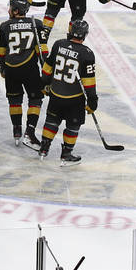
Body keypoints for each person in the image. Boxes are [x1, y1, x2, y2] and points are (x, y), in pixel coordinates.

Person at [37, 19, 97, 166]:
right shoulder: (87, 54)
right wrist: (92, 100)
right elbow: (88, 81)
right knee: (73, 125)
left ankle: (44, 149)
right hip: (74, 99)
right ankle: (66, 154)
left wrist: (44, 84)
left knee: (52, 121)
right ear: (85, 35)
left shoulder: (59, 44)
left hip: (56, 94)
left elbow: (47, 68)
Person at [0, 0, 47, 147]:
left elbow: (0, 50)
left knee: (14, 100)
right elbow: (43, 51)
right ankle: (30, 131)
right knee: (36, 100)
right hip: (30, 69)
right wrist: (46, 73)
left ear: (16, 10)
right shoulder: (36, 24)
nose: (9, 10)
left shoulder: (5, 25)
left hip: (11, 70)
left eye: (11, 7)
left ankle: (17, 129)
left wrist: (3, 66)